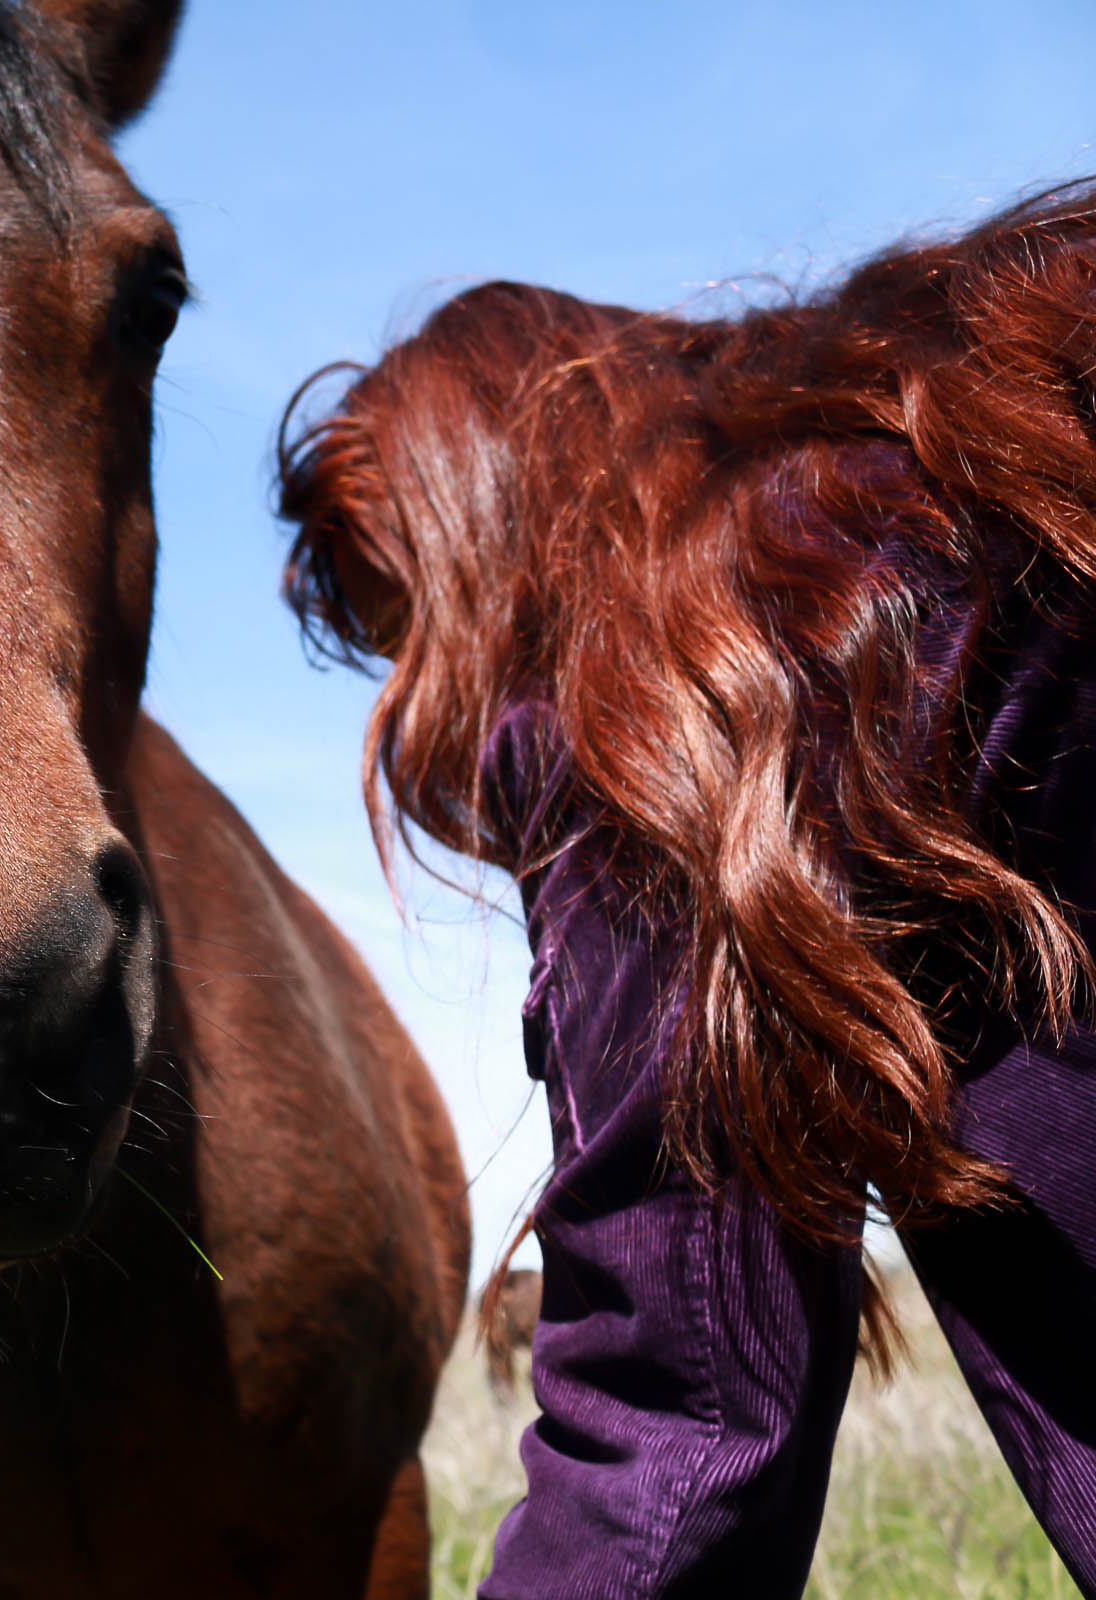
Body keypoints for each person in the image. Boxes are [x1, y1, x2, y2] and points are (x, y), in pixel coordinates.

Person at [277, 182, 1096, 1596]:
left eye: (406, 629)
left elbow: (683, 1417)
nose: (427, 701)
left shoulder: (665, 691)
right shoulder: (992, 411)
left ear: (477, 547)